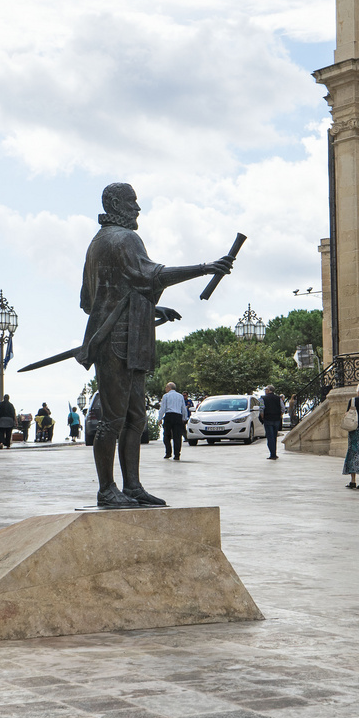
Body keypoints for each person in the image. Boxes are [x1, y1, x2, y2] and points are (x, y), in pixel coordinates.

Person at [77, 182, 233, 508]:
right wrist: (205, 267)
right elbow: (152, 276)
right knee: (115, 420)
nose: (138, 209)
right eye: (132, 202)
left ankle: (132, 487)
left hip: (127, 339)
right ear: (117, 205)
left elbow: (91, 299)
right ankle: (108, 490)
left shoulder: (97, 243)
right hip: (119, 342)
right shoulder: (124, 238)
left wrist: (148, 308)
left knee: (133, 418)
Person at [158, 382, 189, 460]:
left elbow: (163, 408)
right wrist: (184, 418)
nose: (165, 389)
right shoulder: (180, 396)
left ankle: (168, 453)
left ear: (169, 387)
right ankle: (177, 454)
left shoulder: (166, 396)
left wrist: (160, 418)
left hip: (169, 416)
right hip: (178, 416)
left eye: (166, 387)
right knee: (177, 436)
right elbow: (183, 408)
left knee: (167, 435)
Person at [261, 386, 283, 460]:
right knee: (274, 436)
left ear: (268, 390)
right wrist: (279, 415)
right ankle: (274, 453)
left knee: (270, 437)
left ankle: (272, 454)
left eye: (266, 389)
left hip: (268, 419)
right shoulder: (278, 398)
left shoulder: (263, 398)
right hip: (276, 419)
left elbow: (261, 408)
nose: (265, 391)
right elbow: (282, 408)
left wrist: (262, 416)